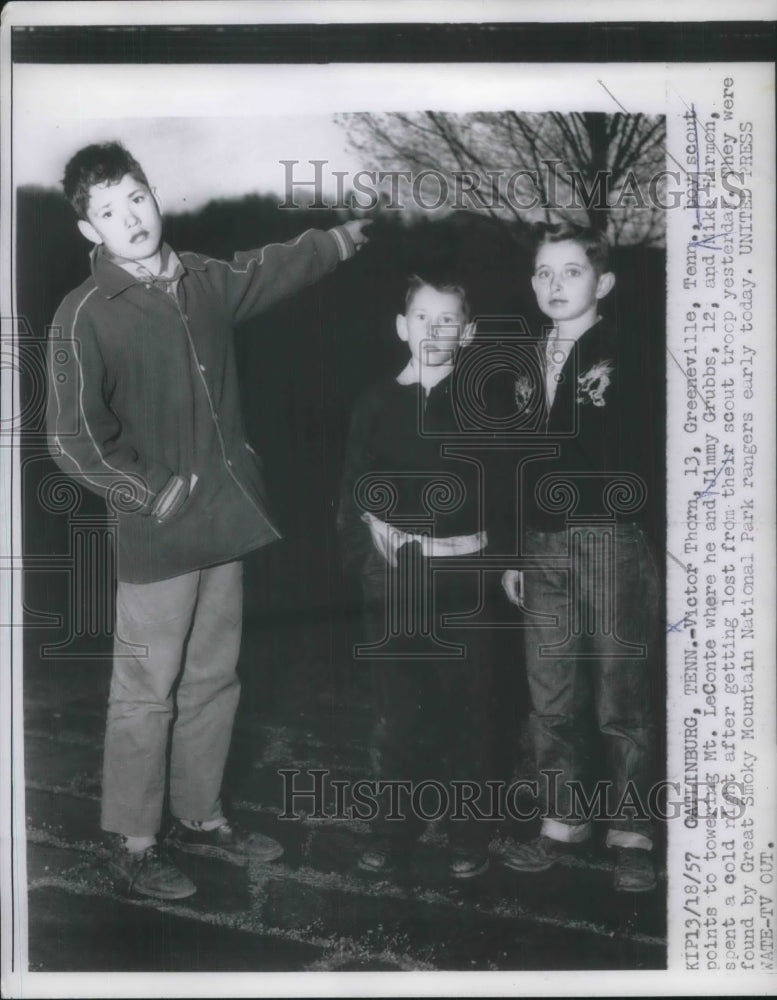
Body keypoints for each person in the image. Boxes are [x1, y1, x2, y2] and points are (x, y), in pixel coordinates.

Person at [46, 141, 369, 900]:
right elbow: (70, 438)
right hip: (158, 537)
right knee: (144, 692)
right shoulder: (84, 314)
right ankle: (132, 842)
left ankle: (200, 815)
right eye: (105, 210)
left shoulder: (201, 279)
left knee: (214, 680)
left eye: (134, 195)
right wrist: (151, 493)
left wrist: (344, 238)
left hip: (226, 523)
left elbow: (271, 266)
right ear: (89, 231)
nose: (127, 217)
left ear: (153, 193)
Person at [500, 222, 661, 893]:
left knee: (620, 696)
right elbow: (514, 463)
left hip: (611, 541)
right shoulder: (521, 362)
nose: (555, 284)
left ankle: (630, 830)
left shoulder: (630, 351)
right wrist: (515, 548)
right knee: (550, 695)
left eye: (571, 271)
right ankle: (562, 818)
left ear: (604, 283)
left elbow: (654, 452)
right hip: (541, 548)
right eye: (543, 272)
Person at [338, 275, 494, 880]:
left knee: (468, 709)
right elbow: (350, 491)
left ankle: (468, 833)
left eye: (448, 317)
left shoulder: (487, 404)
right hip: (396, 576)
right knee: (398, 713)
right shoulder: (375, 402)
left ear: (469, 332)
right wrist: (364, 564)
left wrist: (502, 560)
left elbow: (502, 491)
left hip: (464, 576)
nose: (433, 328)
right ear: (402, 327)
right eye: (422, 316)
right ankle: (393, 829)